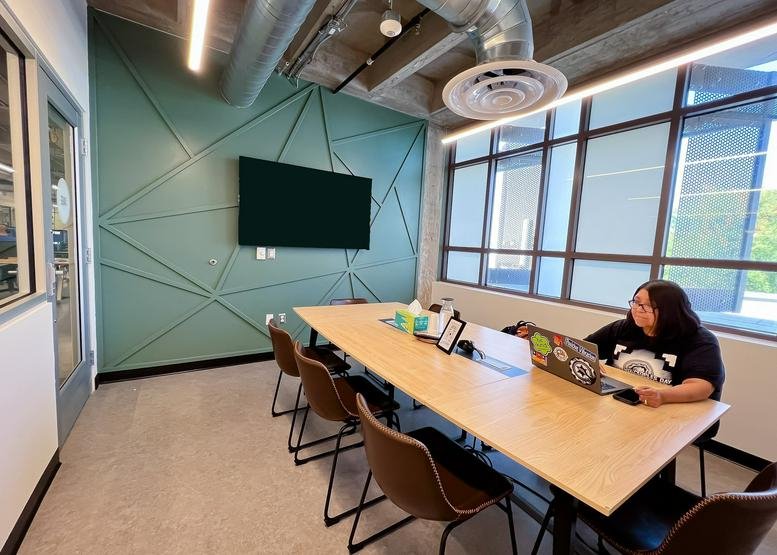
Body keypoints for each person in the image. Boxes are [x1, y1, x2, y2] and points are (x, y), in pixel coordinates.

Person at [585, 279, 725, 408]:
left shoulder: (699, 340)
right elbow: (584, 348)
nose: (638, 309)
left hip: (671, 413)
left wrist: (663, 396)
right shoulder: (623, 328)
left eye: (648, 306)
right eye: (636, 302)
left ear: (670, 311)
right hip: (617, 403)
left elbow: (701, 386)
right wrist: (589, 362)